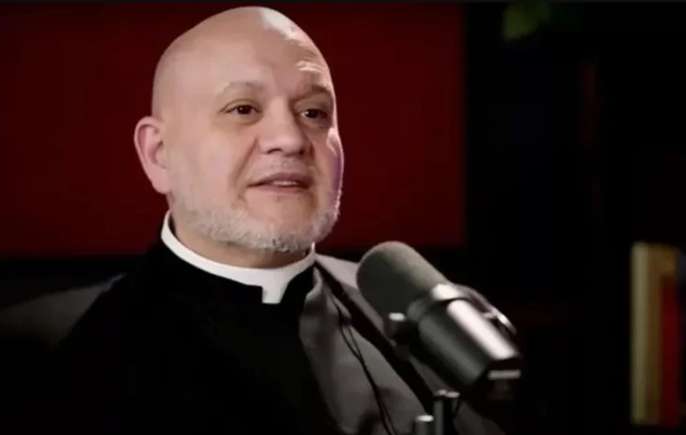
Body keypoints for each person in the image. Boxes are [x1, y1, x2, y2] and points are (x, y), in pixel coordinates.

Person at [51, 6, 504, 435]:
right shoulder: (54, 357)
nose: (289, 138)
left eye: (313, 113)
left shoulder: (444, 333)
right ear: (158, 154)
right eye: (243, 109)